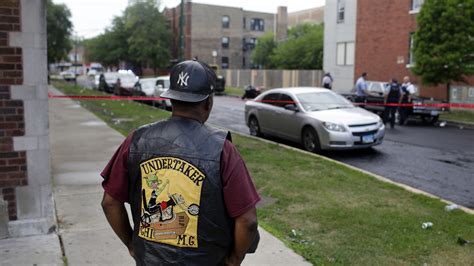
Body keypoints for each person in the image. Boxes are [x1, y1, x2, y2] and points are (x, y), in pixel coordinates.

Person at [101, 59, 260, 265]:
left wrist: (132, 244)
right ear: (208, 102)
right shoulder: (223, 150)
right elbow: (247, 221)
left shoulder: (136, 140)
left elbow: (109, 202)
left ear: (171, 100)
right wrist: (234, 260)